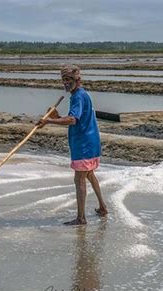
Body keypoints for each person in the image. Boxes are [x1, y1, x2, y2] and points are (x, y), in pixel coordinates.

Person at [37, 65, 108, 225]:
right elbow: (74, 118)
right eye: (63, 80)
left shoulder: (78, 97)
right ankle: (102, 207)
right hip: (90, 140)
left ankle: (81, 218)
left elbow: (72, 120)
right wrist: (57, 117)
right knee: (89, 174)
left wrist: (49, 120)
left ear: (77, 80)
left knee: (79, 179)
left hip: (84, 143)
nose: (65, 84)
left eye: (68, 80)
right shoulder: (82, 95)